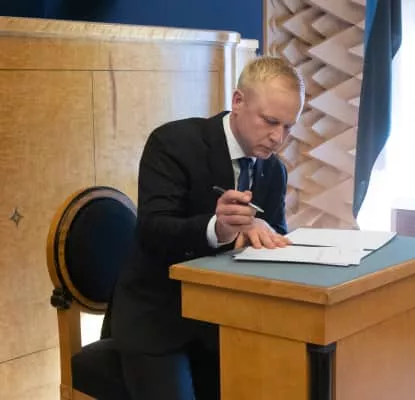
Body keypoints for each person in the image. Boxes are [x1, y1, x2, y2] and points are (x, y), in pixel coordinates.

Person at [110, 56, 305, 399]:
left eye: (288, 127)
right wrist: (218, 229)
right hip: (159, 319)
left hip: (228, 321)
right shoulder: (172, 143)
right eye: (270, 121)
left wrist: (265, 231)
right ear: (238, 101)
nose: (278, 137)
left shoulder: (274, 171)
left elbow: (275, 235)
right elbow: (153, 231)